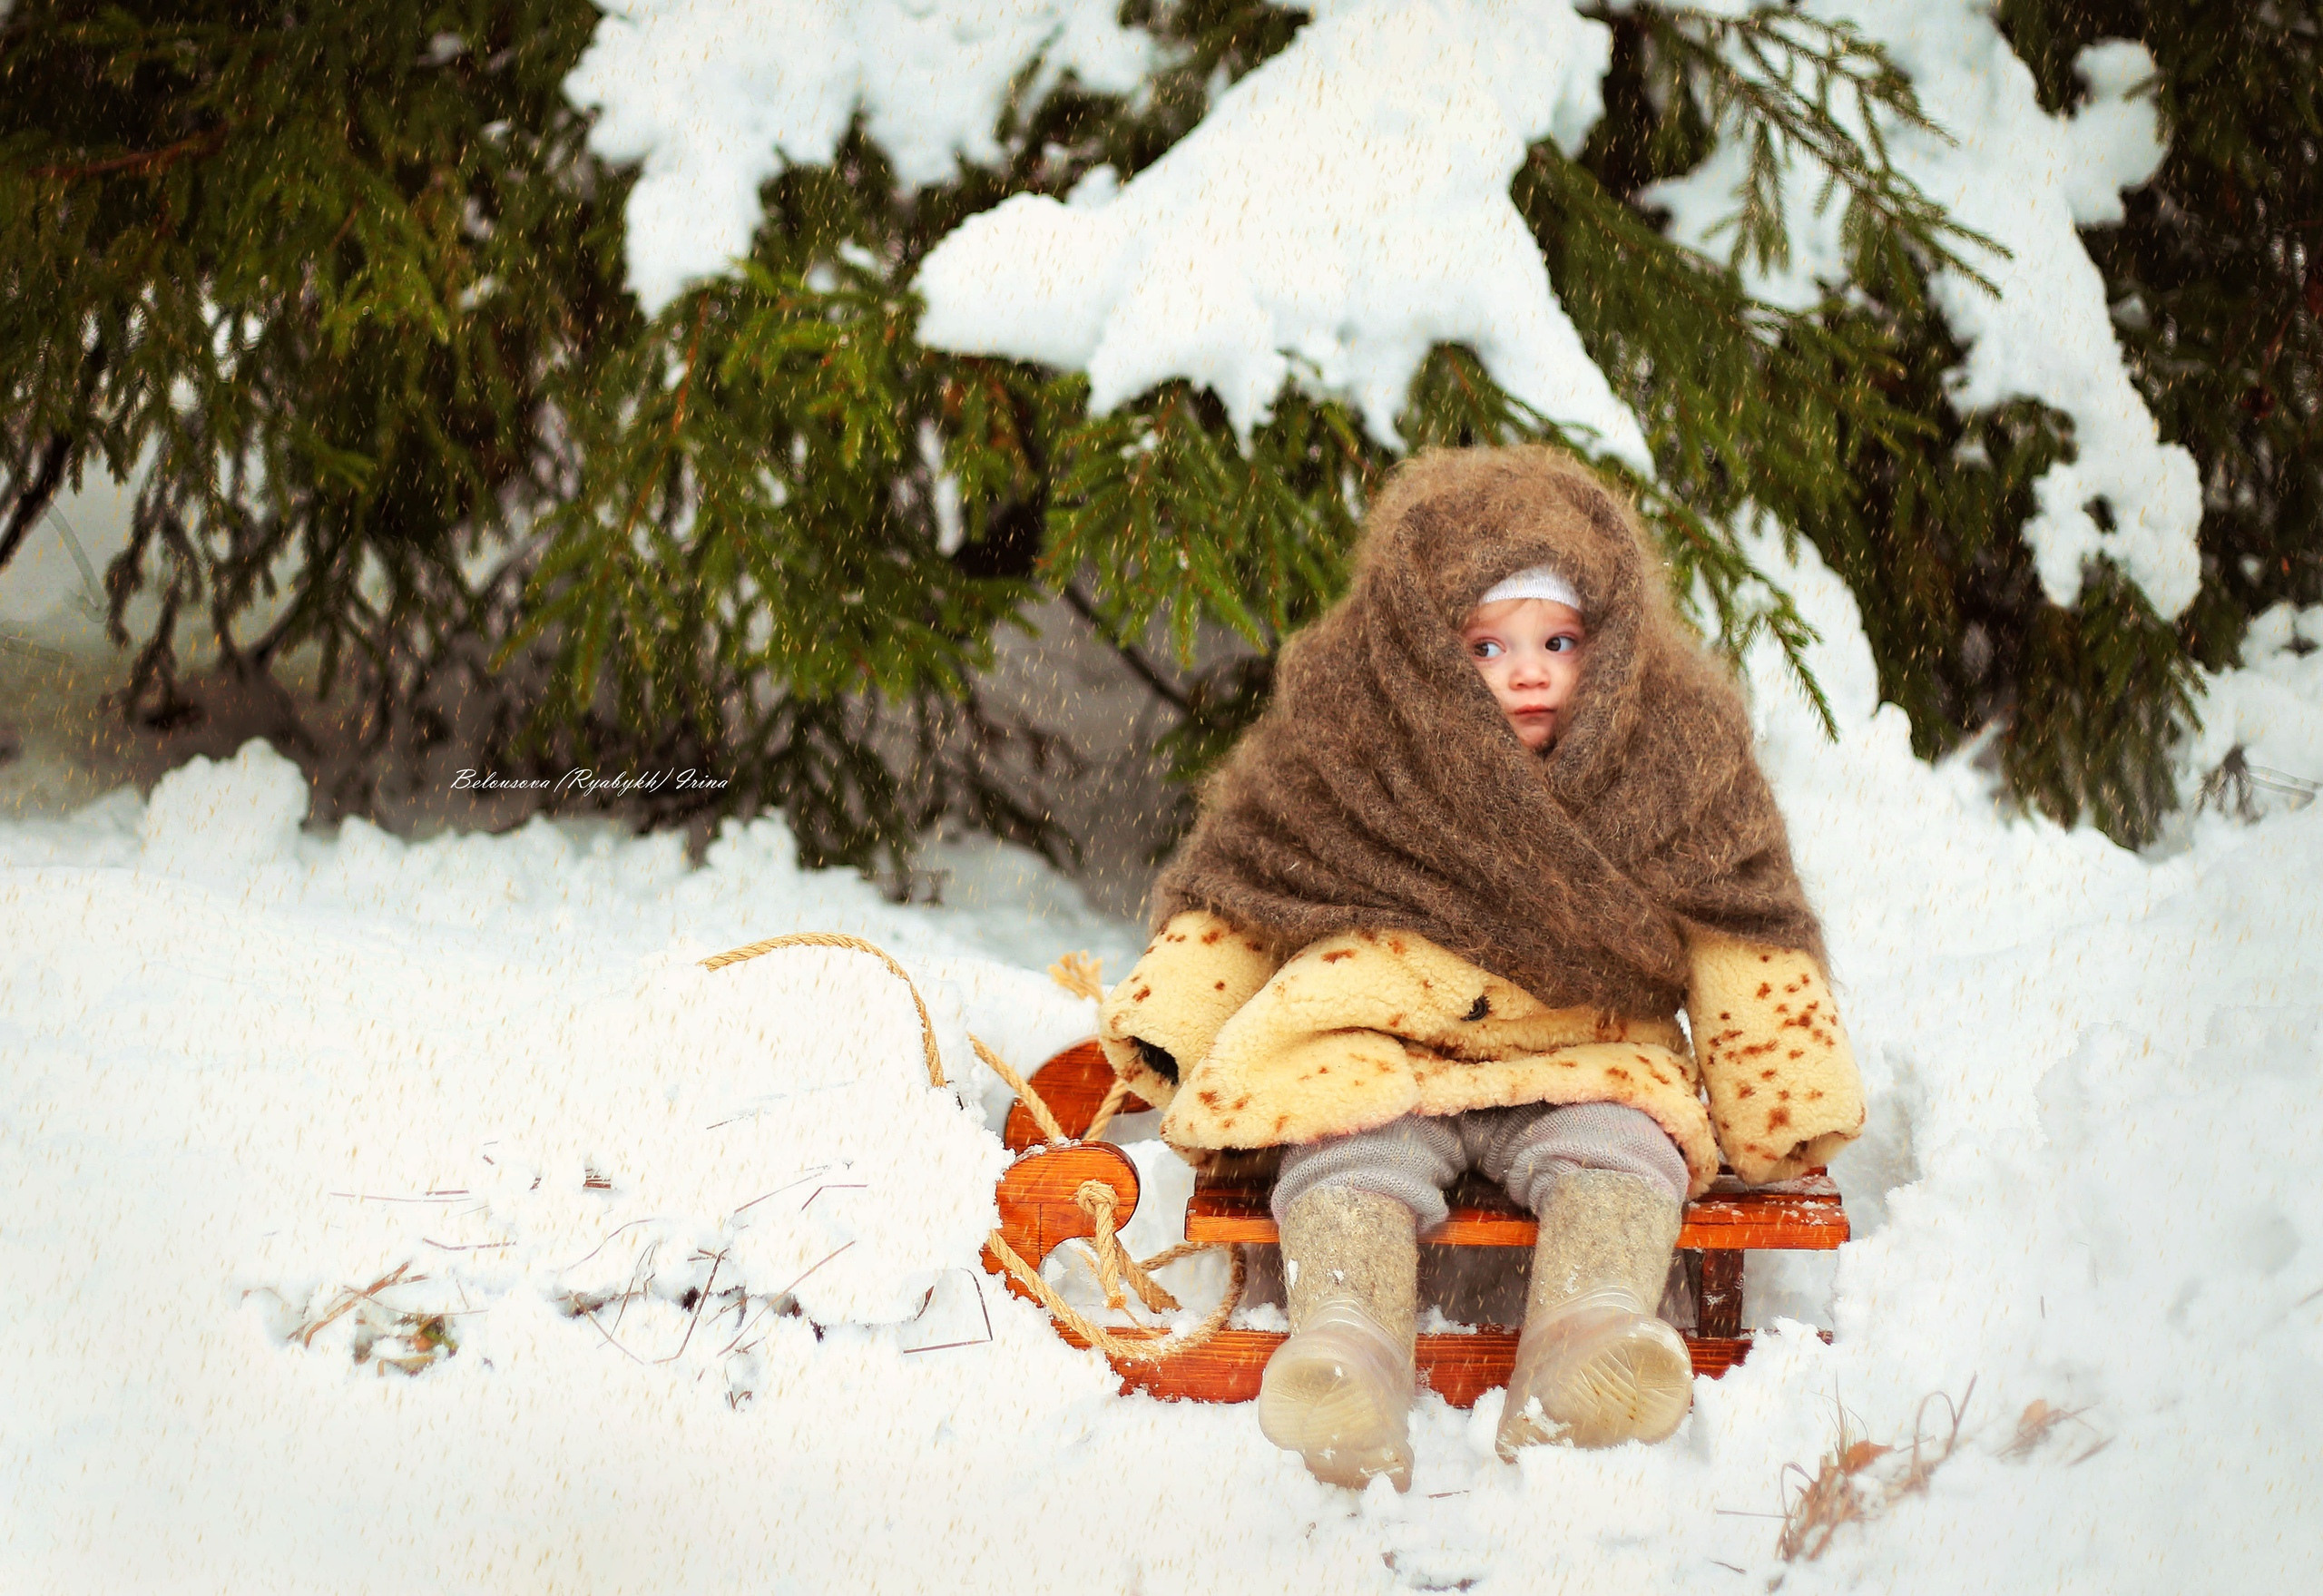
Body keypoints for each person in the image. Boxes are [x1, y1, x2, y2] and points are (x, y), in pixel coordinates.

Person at [1095, 445, 1865, 1490]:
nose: (1528, 671)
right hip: (1375, 1038)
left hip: (1582, 1042)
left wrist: (1788, 1090)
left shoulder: (1675, 752)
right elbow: (1245, 890)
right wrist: (1169, 1024)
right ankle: (1348, 1347)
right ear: (1419, 652)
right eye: (1487, 646)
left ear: (1614, 642)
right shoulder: (1345, 738)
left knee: (1621, 1155)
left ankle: (1587, 1335)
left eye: (1559, 640)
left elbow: (1741, 921)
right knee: (1342, 1160)